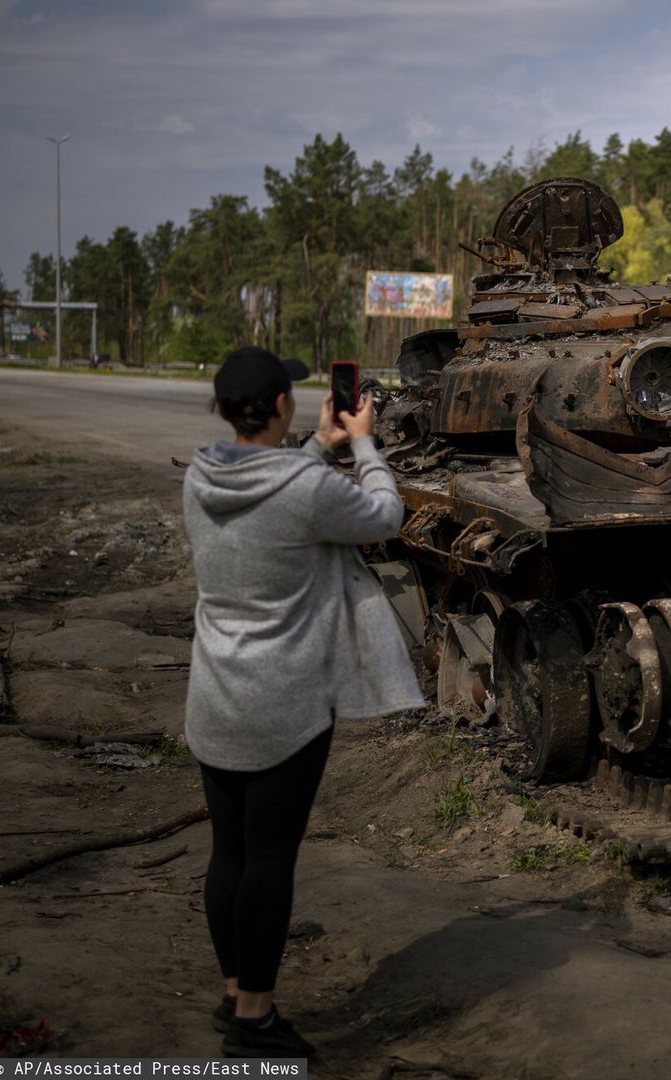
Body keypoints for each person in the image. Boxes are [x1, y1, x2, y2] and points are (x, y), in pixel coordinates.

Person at [182, 346, 423, 1059]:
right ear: (283, 405)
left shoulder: (199, 477)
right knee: (270, 861)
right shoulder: (305, 490)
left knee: (228, 853)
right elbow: (384, 515)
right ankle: (256, 1021)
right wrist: (362, 442)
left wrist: (318, 446)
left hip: (214, 698)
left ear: (225, 411)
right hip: (284, 709)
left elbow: (280, 486)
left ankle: (234, 992)